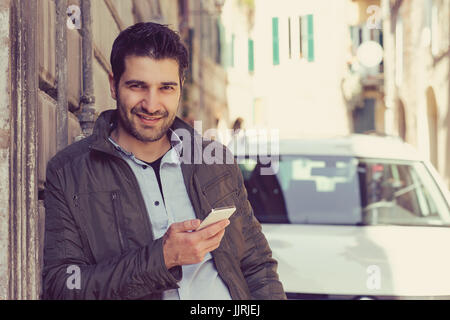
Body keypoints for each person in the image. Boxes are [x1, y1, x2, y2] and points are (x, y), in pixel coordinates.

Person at [42, 22, 286, 300]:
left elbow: (258, 267)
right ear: (113, 84)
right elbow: (63, 285)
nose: (152, 104)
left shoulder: (215, 160)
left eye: (166, 88)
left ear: (181, 87)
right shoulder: (69, 172)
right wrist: (162, 258)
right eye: (137, 86)